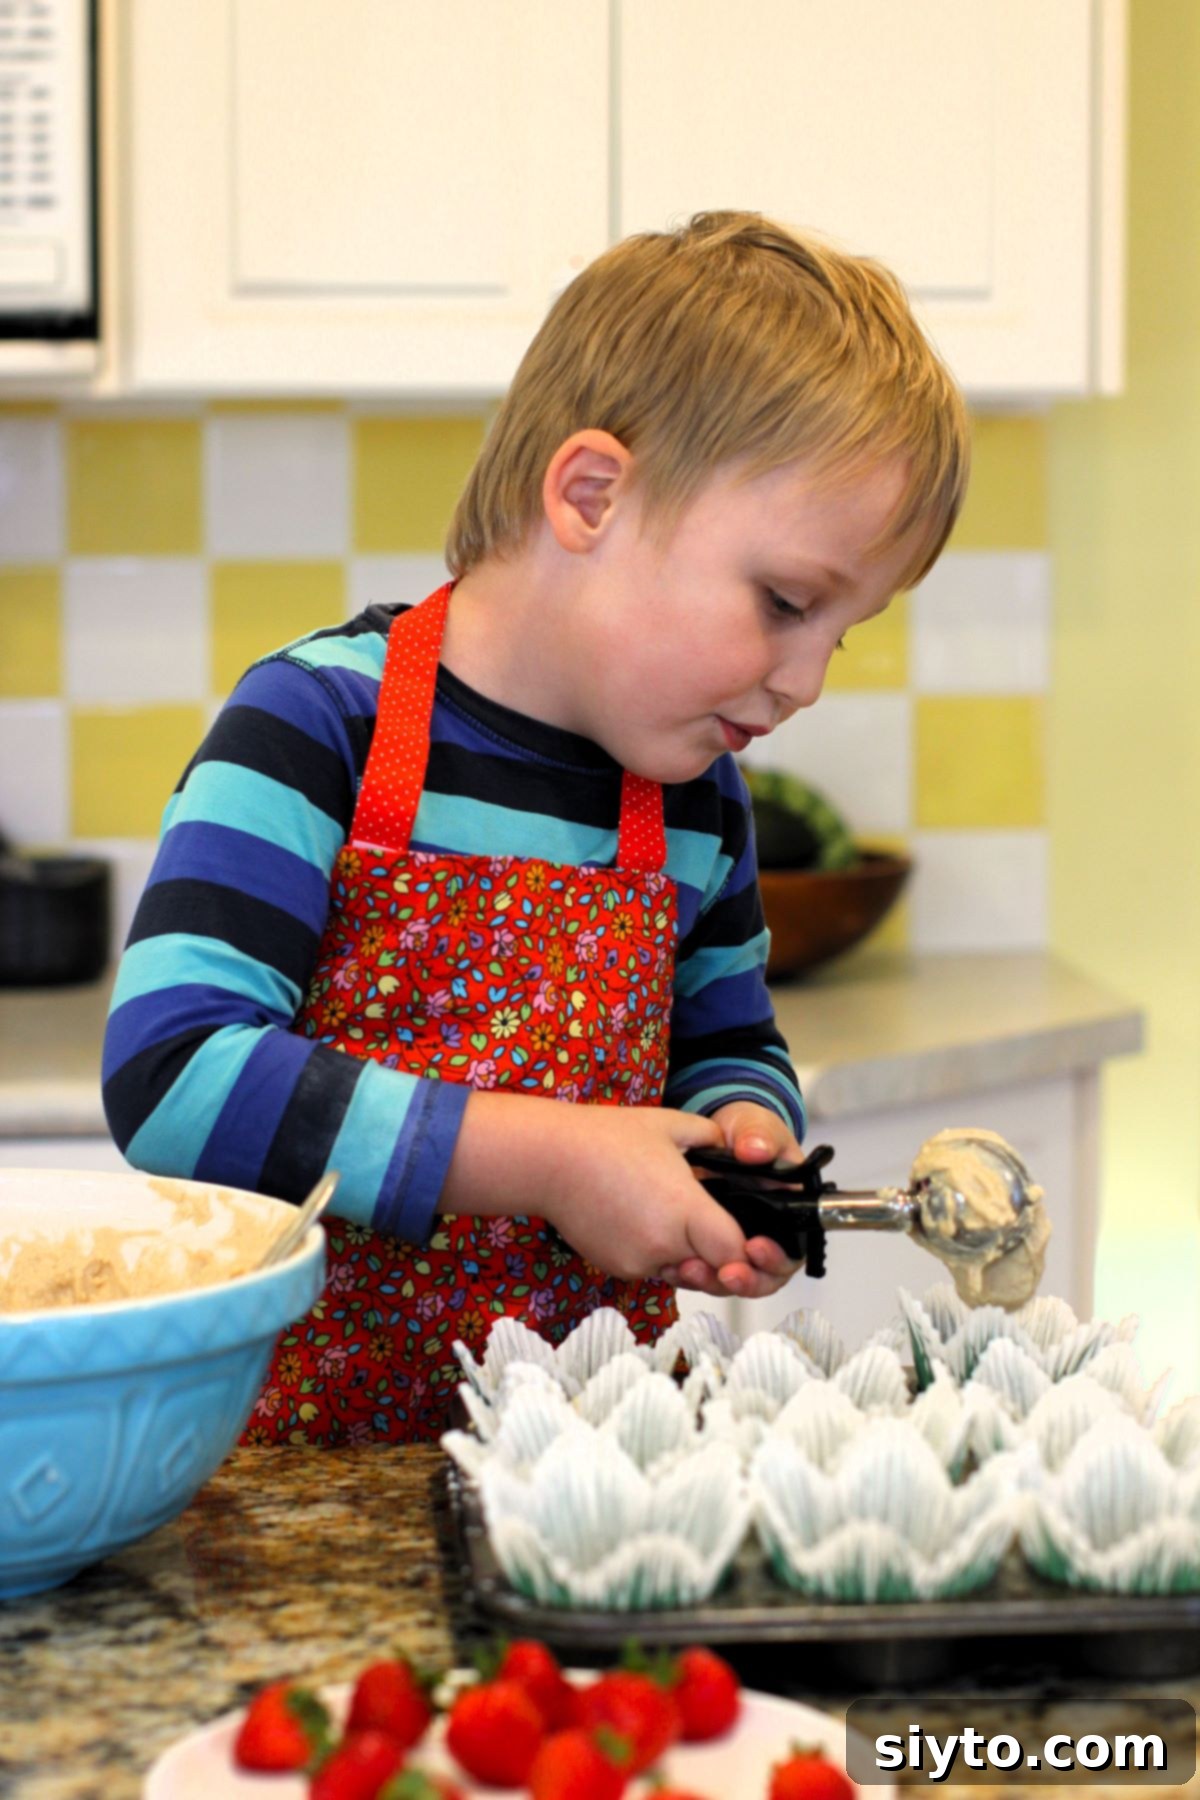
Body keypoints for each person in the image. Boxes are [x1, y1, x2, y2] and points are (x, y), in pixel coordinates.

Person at [101, 211, 969, 1446]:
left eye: (841, 630)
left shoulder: (697, 800)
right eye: (784, 602)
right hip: (303, 1469)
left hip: (594, 1460)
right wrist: (559, 1161)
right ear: (591, 495)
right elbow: (172, 1074)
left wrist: (743, 1140)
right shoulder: (312, 727)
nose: (807, 679)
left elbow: (726, 1037)